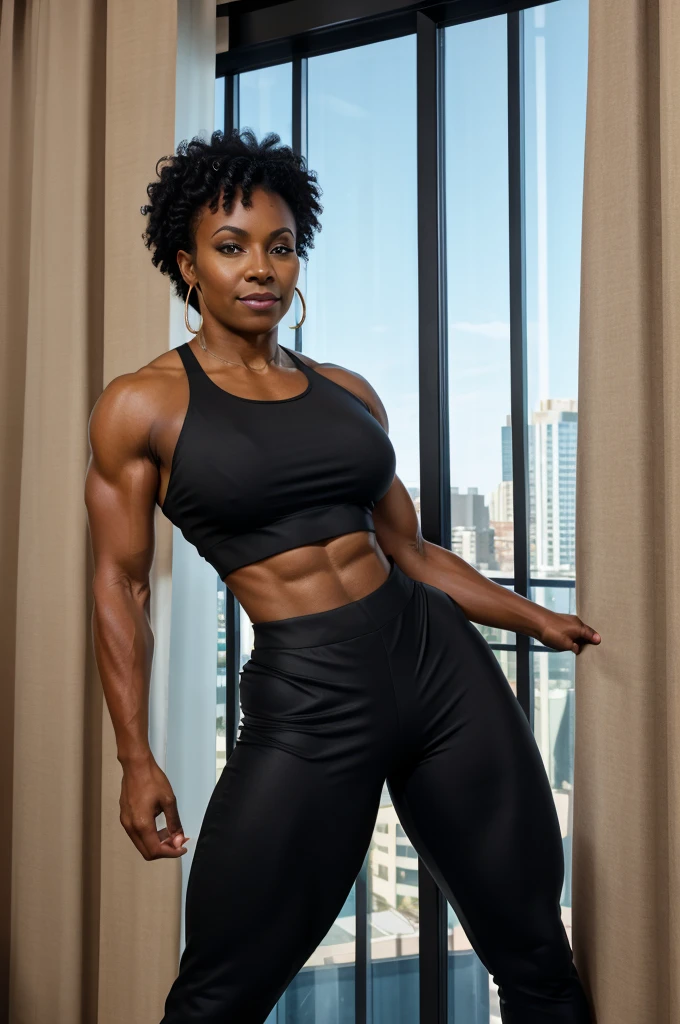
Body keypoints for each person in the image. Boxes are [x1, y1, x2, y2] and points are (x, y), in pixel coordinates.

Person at [84, 129, 598, 1023]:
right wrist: (135, 757)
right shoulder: (143, 405)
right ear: (187, 264)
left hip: (442, 672)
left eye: (280, 247)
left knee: (536, 955)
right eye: (232, 246)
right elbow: (121, 587)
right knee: (217, 995)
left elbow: (415, 552)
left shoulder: (349, 392)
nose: (261, 268)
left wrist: (535, 618)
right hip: (311, 700)